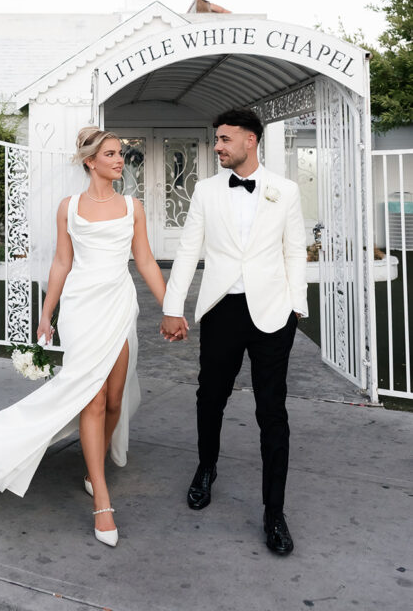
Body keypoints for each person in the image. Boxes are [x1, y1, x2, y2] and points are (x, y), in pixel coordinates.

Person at [0, 126, 180, 547]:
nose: (120, 160)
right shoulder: (70, 207)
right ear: (90, 161)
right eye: (112, 154)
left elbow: (147, 260)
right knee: (91, 398)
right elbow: (62, 262)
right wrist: (47, 313)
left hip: (118, 303)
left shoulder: (133, 207)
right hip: (81, 308)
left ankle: (91, 466)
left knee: (114, 399)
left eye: (121, 153)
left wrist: (170, 307)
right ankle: (101, 498)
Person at [161, 108, 308, 556]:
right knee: (211, 397)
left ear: (250, 141)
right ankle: (206, 468)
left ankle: (274, 512)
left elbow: (295, 252)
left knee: (272, 413)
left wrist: (295, 308)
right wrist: (173, 307)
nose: (218, 146)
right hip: (222, 310)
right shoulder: (206, 191)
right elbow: (188, 251)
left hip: (271, 314)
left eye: (225, 139)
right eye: (216, 139)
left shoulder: (286, 191)